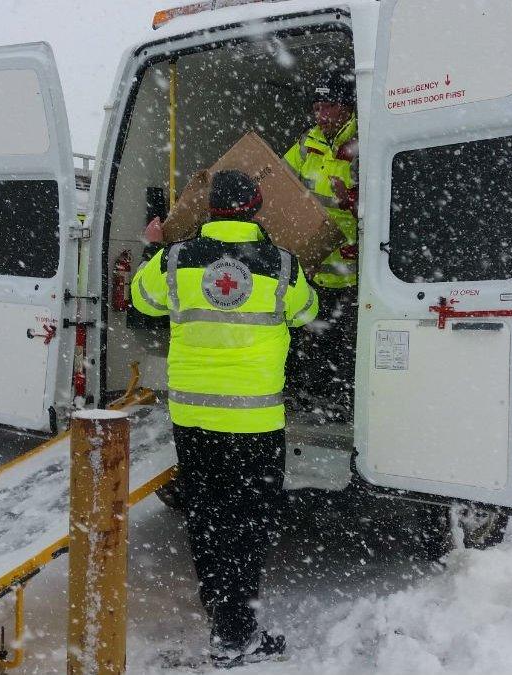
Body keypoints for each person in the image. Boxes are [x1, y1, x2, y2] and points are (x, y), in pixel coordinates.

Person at [131, 169, 318, 667]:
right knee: (248, 525)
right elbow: (306, 313)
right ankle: (237, 636)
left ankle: (223, 616)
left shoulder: (174, 261)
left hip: (194, 417)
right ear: (257, 208)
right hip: (254, 421)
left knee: (208, 519)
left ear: (210, 208)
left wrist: (153, 246)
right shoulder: (282, 266)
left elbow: (141, 300)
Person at [283, 69, 359, 415]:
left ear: (345, 108)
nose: (320, 116)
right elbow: (279, 181)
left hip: (352, 271)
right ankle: (308, 396)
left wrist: (353, 200)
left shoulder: (364, 139)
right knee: (307, 336)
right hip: (312, 266)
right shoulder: (306, 143)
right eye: (316, 108)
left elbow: (394, 199)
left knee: (344, 344)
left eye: (327, 108)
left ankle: (339, 401)